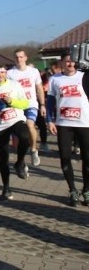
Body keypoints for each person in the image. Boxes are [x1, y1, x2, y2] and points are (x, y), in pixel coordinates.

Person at [0, 63, 30, 201]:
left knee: (24, 137)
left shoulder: (15, 85)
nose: (0, 75)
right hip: (0, 125)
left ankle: (20, 162)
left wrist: (12, 101)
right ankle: (6, 188)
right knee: (4, 157)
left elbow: (25, 104)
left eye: (2, 72)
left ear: (6, 73)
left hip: (16, 119)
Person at [47, 52, 89, 207]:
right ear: (62, 63)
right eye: (67, 62)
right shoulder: (55, 79)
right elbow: (50, 101)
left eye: (73, 62)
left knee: (87, 159)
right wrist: (49, 120)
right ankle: (72, 190)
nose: (71, 64)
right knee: (65, 158)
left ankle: (86, 190)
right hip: (64, 123)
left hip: (85, 122)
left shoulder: (84, 76)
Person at [7, 49, 46, 167]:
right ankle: (21, 161)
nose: (19, 59)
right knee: (19, 134)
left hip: (31, 104)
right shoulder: (10, 73)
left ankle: (34, 150)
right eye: (16, 57)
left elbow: (39, 89)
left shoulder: (33, 72)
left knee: (30, 125)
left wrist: (42, 105)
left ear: (26, 58)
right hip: (17, 106)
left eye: (21, 57)